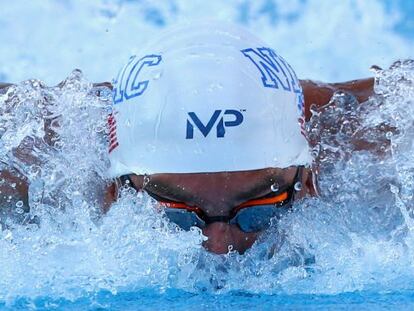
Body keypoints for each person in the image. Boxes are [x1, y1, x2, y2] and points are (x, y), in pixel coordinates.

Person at [0, 22, 375, 254]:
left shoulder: (365, 142)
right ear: (114, 194)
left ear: (308, 184)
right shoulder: (30, 155)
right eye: (175, 218)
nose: (219, 247)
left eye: (259, 211)